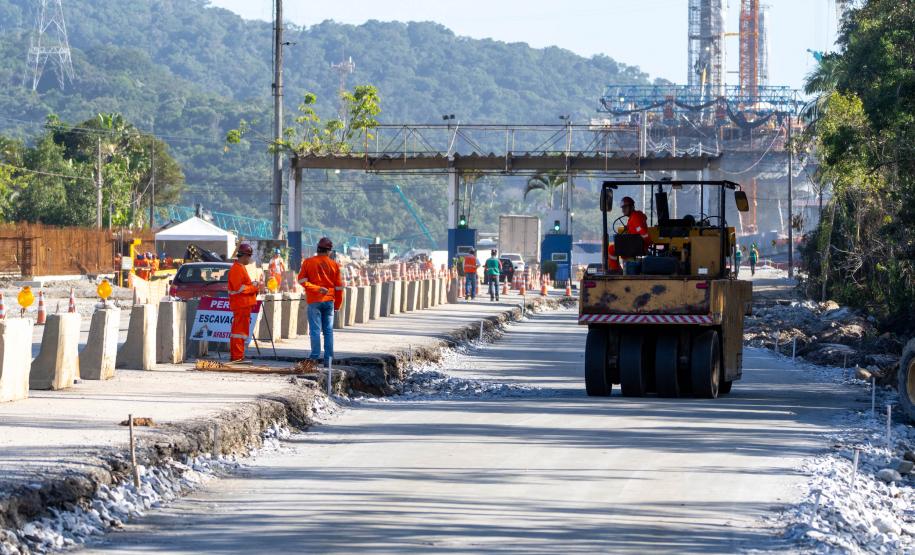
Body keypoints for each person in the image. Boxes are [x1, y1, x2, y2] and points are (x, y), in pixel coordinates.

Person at [298, 237, 344, 365]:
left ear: (318, 249)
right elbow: (339, 288)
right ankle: (328, 359)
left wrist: (316, 289)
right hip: (329, 301)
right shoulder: (334, 265)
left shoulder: (308, 262)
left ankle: (314, 358)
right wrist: (338, 305)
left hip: (314, 300)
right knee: (328, 331)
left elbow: (301, 281)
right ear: (329, 251)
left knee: (315, 330)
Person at [227, 243, 262, 362]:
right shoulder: (237, 269)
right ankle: (238, 357)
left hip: (243, 305)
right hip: (241, 305)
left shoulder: (240, 268)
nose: (249, 259)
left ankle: (237, 356)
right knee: (239, 332)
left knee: (239, 332)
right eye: (249, 256)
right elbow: (240, 288)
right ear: (245, 256)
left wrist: (252, 285)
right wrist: (255, 287)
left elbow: (242, 287)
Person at [606, 196, 651, 271]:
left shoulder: (635, 217)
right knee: (619, 247)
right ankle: (625, 266)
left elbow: (642, 232)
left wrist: (647, 244)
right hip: (635, 245)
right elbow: (637, 229)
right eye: (622, 208)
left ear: (632, 207)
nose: (623, 210)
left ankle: (615, 270)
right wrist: (628, 228)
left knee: (611, 249)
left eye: (625, 207)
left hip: (635, 246)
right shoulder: (635, 216)